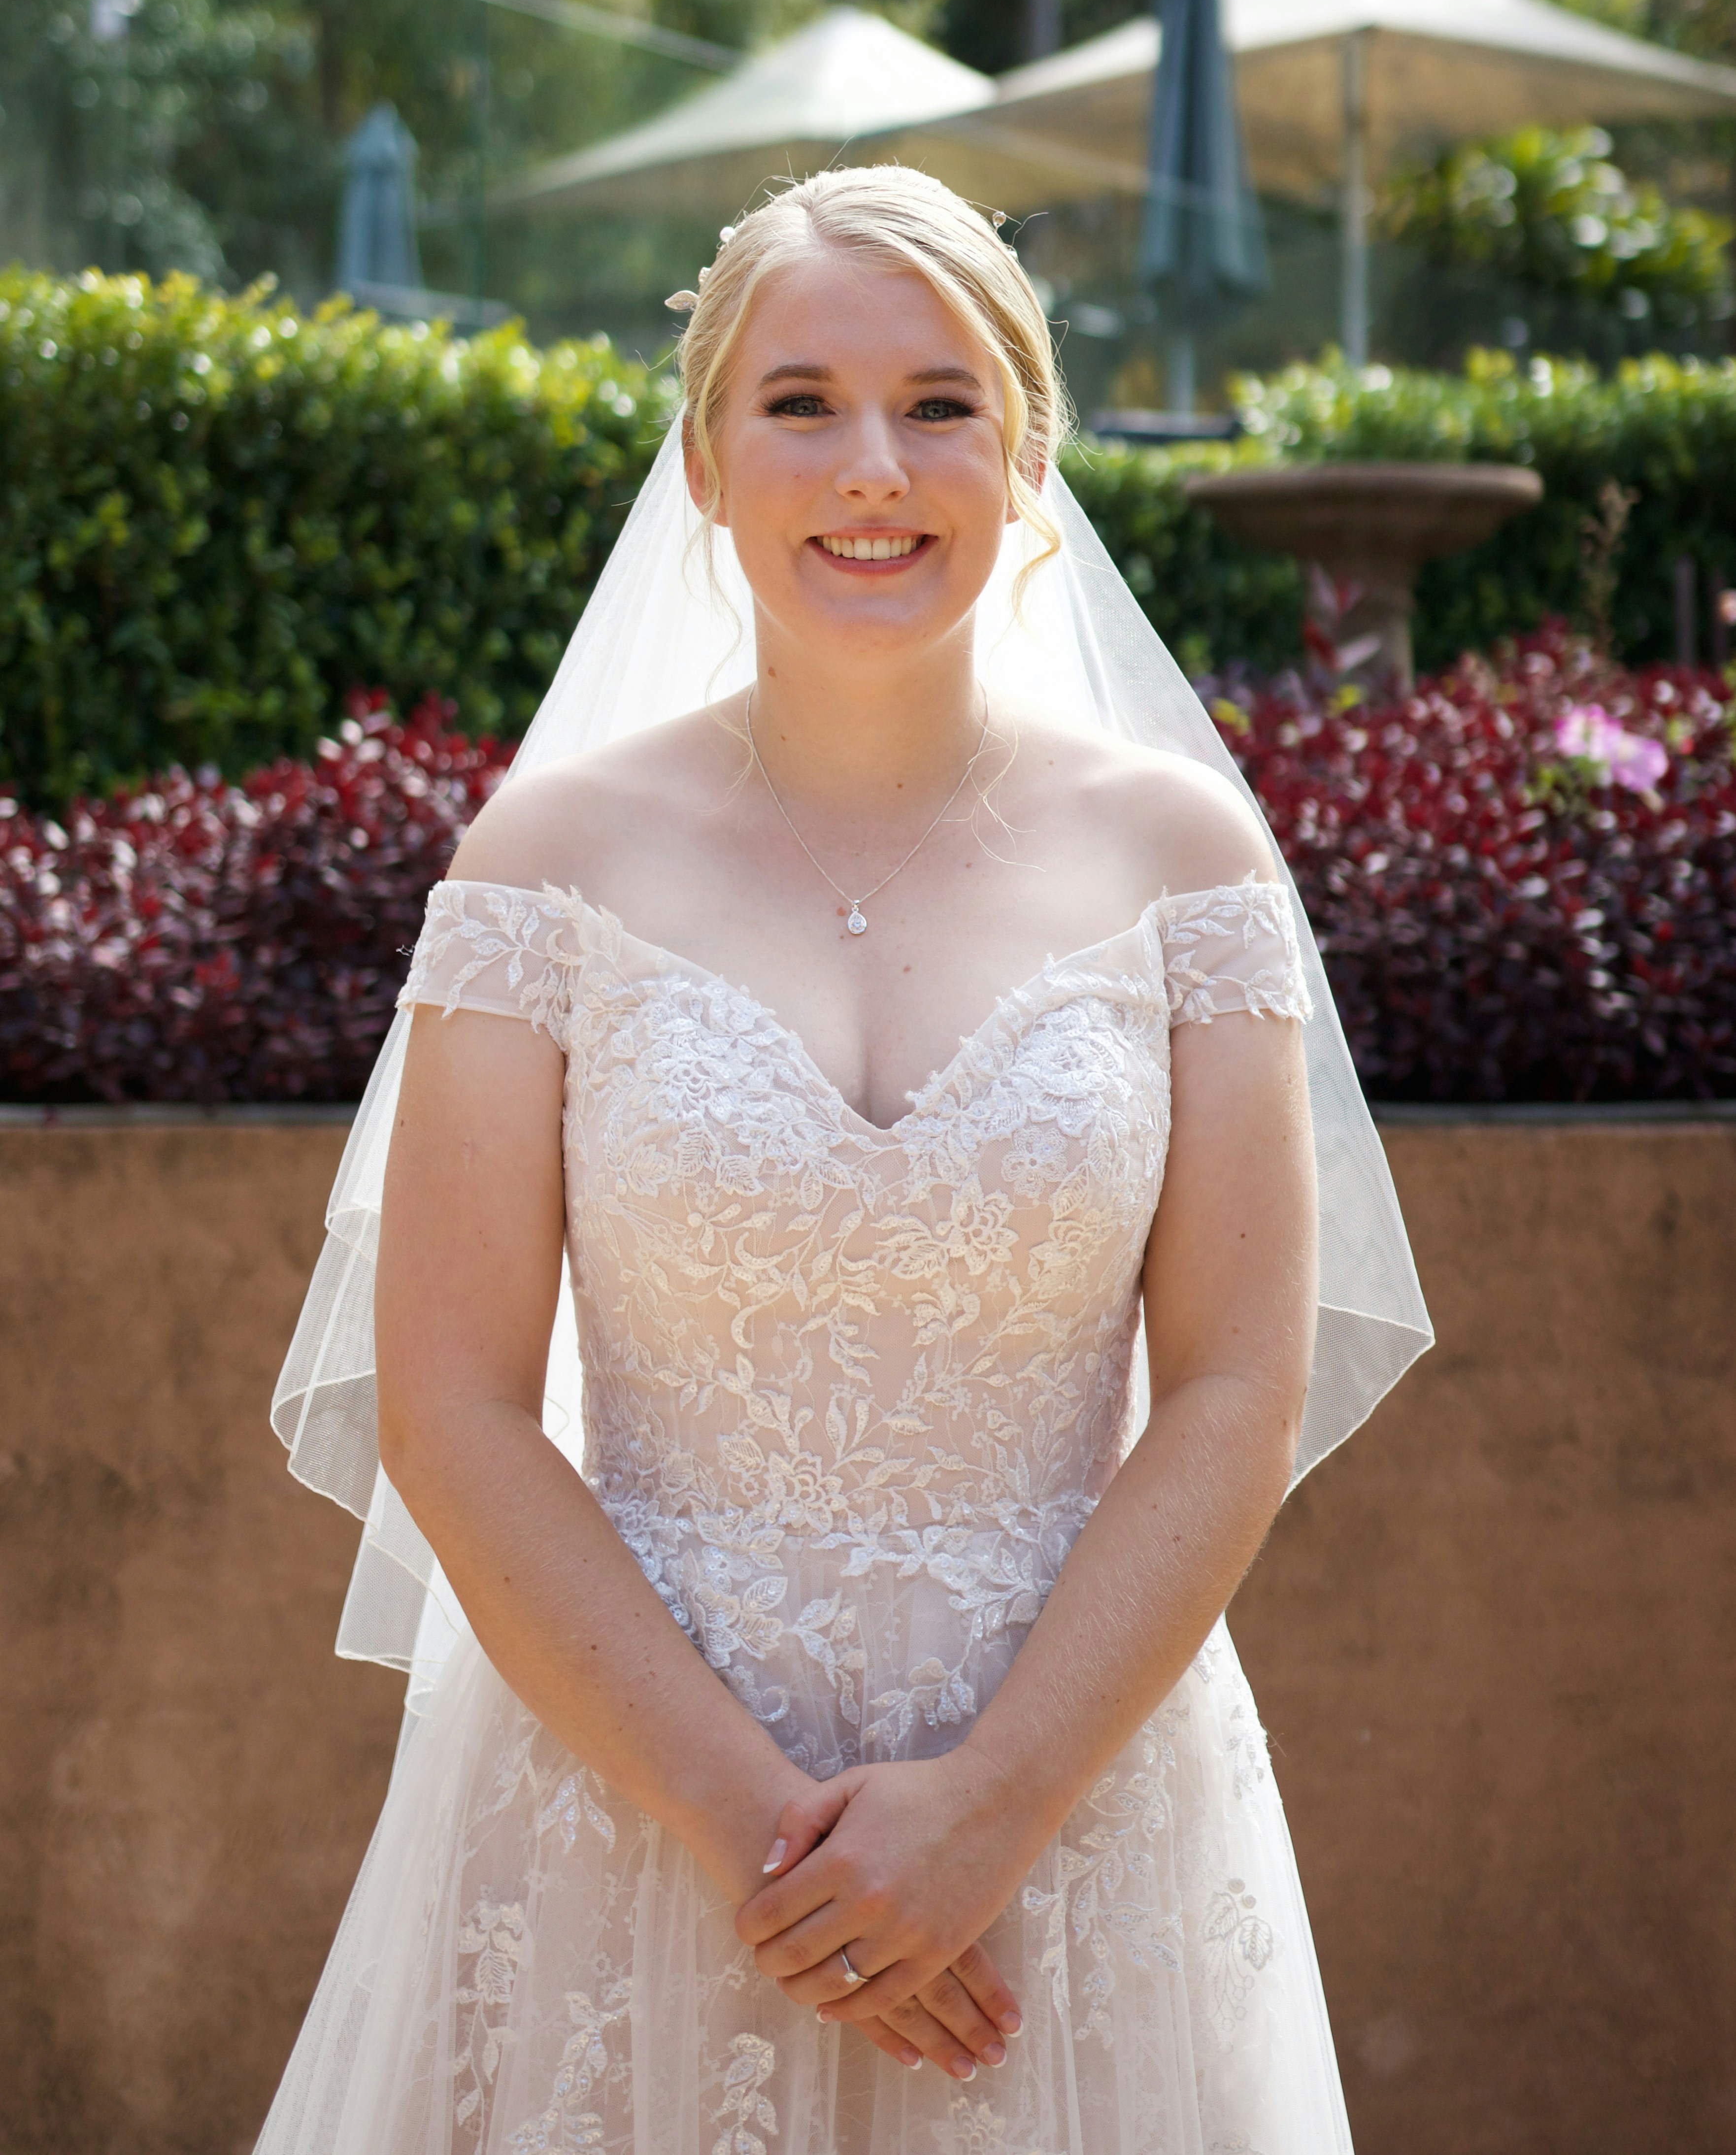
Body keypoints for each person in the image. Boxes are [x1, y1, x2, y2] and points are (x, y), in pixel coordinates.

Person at [260, 166, 1429, 2155]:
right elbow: (452, 1407)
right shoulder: (545, 865)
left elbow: (1236, 1378)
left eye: (939, 403)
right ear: (704, 464)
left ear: (1026, 452)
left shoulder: (1184, 866)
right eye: (796, 402)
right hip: (623, 1809)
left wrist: (991, 1807)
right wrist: (752, 1838)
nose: (868, 468)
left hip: (1074, 1817)